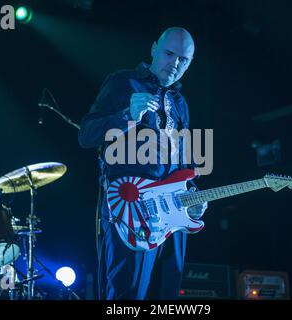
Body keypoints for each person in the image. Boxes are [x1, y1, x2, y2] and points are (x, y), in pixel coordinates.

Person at [78, 27, 207, 300]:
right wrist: (128, 116)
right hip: (131, 207)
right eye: (169, 54)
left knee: (168, 292)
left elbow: (184, 161)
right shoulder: (122, 83)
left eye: (183, 60)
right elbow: (86, 135)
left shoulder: (180, 101)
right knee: (128, 294)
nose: (175, 64)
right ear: (153, 49)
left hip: (173, 212)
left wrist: (194, 194)